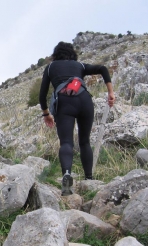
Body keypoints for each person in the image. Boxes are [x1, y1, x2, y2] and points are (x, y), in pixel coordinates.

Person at [39, 41, 115, 196]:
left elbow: (42, 96)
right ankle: (89, 179)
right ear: (72, 53)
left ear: (56, 54)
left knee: (66, 142)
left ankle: (67, 175)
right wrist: (110, 92)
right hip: (84, 100)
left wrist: (46, 114)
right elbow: (102, 68)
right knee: (85, 141)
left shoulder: (50, 68)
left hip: (65, 103)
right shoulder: (79, 65)